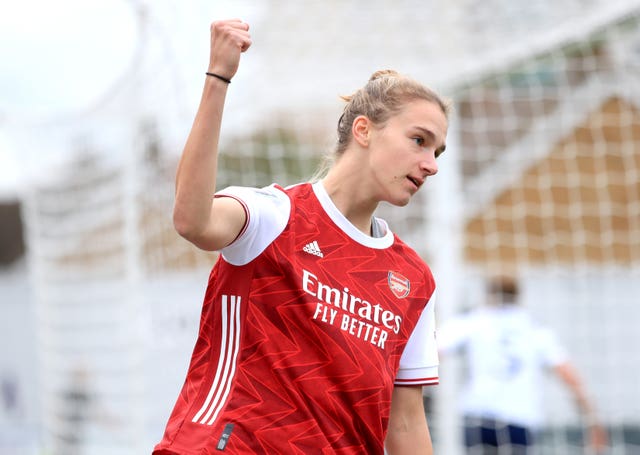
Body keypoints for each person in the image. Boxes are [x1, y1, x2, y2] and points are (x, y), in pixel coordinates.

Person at [153, 19, 450, 455]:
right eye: (419, 140)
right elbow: (192, 221)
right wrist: (219, 78)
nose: (431, 164)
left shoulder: (413, 279)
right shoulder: (275, 216)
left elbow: (405, 423)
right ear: (364, 131)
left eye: (437, 151)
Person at [437, 275, 608, 454]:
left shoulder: (473, 321)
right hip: (518, 419)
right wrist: (593, 421)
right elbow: (569, 376)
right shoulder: (534, 328)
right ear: (518, 295)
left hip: (478, 416)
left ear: (488, 293)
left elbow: (433, 351)